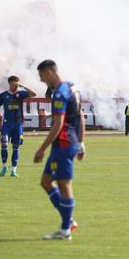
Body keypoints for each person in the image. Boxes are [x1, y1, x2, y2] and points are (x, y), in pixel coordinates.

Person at [33, 60, 85, 241]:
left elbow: (58, 124)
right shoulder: (73, 88)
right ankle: (68, 221)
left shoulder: (60, 93)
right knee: (46, 182)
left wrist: (41, 149)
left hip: (63, 144)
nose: (41, 81)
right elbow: (81, 117)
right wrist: (81, 143)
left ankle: (65, 229)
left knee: (64, 186)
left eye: (41, 77)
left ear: (49, 72)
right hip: (68, 143)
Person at [0, 76, 37, 177]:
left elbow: (34, 94)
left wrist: (24, 86)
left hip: (18, 125)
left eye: (18, 83)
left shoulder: (21, 94)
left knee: (16, 147)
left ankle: (14, 171)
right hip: (6, 125)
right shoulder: (3, 95)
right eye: (16, 82)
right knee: (4, 145)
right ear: (10, 83)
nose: (17, 84)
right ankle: (4, 167)